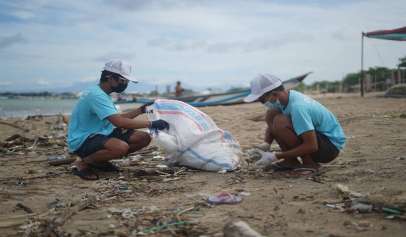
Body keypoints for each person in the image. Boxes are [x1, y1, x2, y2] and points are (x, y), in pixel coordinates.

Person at [67, 60, 169, 180]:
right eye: (122, 80)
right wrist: (152, 124)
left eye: (126, 81)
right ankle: (83, 162)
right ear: (109, 77)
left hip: (102, 132)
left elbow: (117, 118)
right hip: (83, 139)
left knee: (143, 138)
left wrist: (141, 110)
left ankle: (98, 161)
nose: (125, 84)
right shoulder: (96, 95)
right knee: (120, 147)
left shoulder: (103, 93)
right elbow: (119, 122)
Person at [244, 74, 346, 171]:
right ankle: (290, 161)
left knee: (280, 122)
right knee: (271, 114)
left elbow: (311, 145)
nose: (262, 103)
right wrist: (266, 144)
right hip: (319, 141)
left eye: (262, 100)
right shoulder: (283, 99)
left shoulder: (298, 107)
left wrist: (275, 156)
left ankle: (310, 164)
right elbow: (270, 119)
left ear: (274, 94)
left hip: (329, 148)